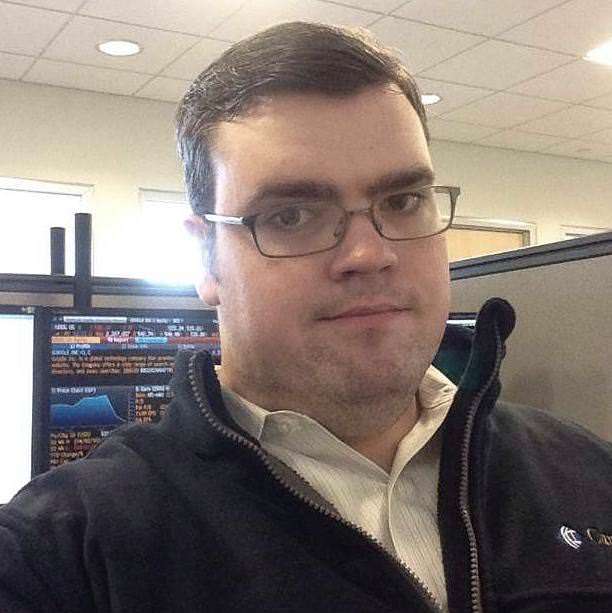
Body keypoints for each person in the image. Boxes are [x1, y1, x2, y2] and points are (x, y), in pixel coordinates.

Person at [1, 21, 611, 613]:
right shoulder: (61, 554)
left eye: (402, 201)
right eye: (290, 215)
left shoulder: (586, 472)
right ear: (206, 259)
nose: (369, 253)